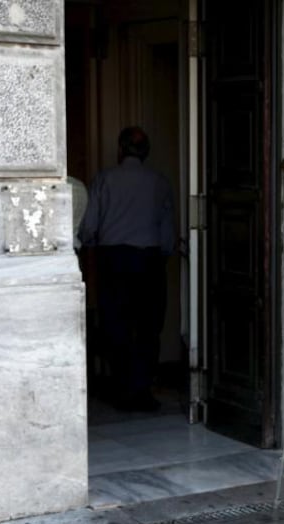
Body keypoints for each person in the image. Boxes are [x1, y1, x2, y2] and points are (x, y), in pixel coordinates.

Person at [78, 126, 175, 412]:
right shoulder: (159, 182)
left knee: (116, 324)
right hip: (149, 259)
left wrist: (86, 245)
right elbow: (167, 228)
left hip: (114, 259)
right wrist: (164, 254)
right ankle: (142, 389)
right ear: (146, 152)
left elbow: (90, 225)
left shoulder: (104, 180)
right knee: (148, 327)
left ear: (120, 150)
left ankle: (122, 389)